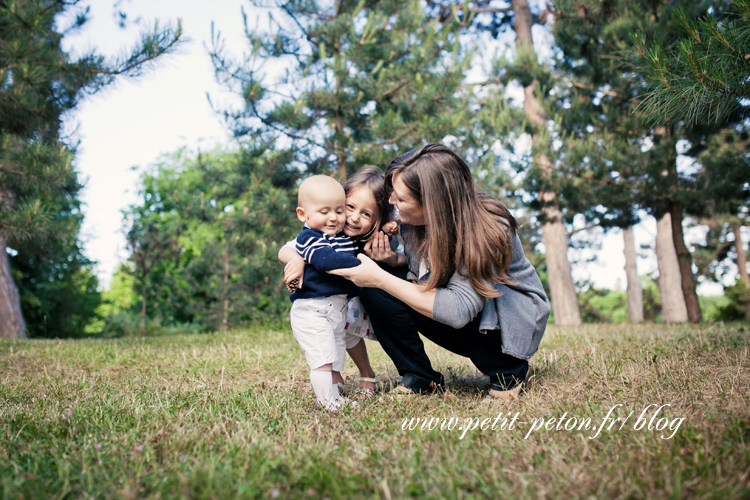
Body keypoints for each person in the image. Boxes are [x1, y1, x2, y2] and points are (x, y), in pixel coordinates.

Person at [330, 144, 550, 399]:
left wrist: (380, 278)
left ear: (431, 203)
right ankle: (419, 377)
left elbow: (459, 309)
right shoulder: (414, 223)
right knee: (379, 284)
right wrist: (392, 261)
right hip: (458, 298)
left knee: (382, 282)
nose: (391, 202)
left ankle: (508, 370)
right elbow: (427, 269)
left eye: (400, 199)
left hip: (504, 318)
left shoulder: (489, 228)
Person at [279, 166, 400, 398]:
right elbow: (292, 249)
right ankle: (331, 387)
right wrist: (296, 259)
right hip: (322, 302)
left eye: (366, 214)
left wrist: (387, 232)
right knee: (330, 344)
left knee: (343, 337)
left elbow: (383, 246)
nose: (352, 217)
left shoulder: (356, 236)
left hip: (347, 299)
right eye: (350, 207)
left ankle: (359, 375)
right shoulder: (321, 233)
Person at [286, 175, 363, 410]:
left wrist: (389, 234)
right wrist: (360, 267)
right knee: (322, 359)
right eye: (324, 211)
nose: (333, 217)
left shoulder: (341, 238)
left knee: (336, 354)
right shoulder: (308, 238)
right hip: (312, 310)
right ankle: (327, 400)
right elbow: (324, 261)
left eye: (339, 211)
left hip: (336, 308)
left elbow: (366, 247)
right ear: (303, 214)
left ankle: (335, 396)